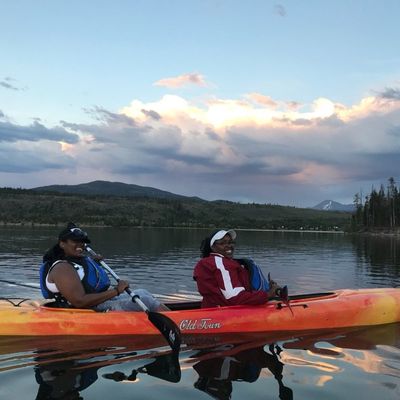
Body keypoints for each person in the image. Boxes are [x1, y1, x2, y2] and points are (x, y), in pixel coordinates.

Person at [40, 222, 166, 312]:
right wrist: (116, 291)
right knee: (146, 301)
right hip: (83, 309)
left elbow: (82, 273)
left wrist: (93, 263)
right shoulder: (62, 268)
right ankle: (174, 322)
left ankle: (170, 317)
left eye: (82, 242)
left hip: (95, 302)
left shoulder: (77, 260)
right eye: (75, 241)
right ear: (62, 244)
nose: (80, 245)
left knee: (142, 292)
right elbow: (79, 301)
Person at [193, 229, 280, 308]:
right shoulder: (220, 263)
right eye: (222, 243)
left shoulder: (213, 262)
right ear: (213, 247)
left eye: (230, 242)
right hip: (223, 313)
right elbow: (235, 298)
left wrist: (266, 289)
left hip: (212, 308)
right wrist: (268, 294)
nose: (228, 246)